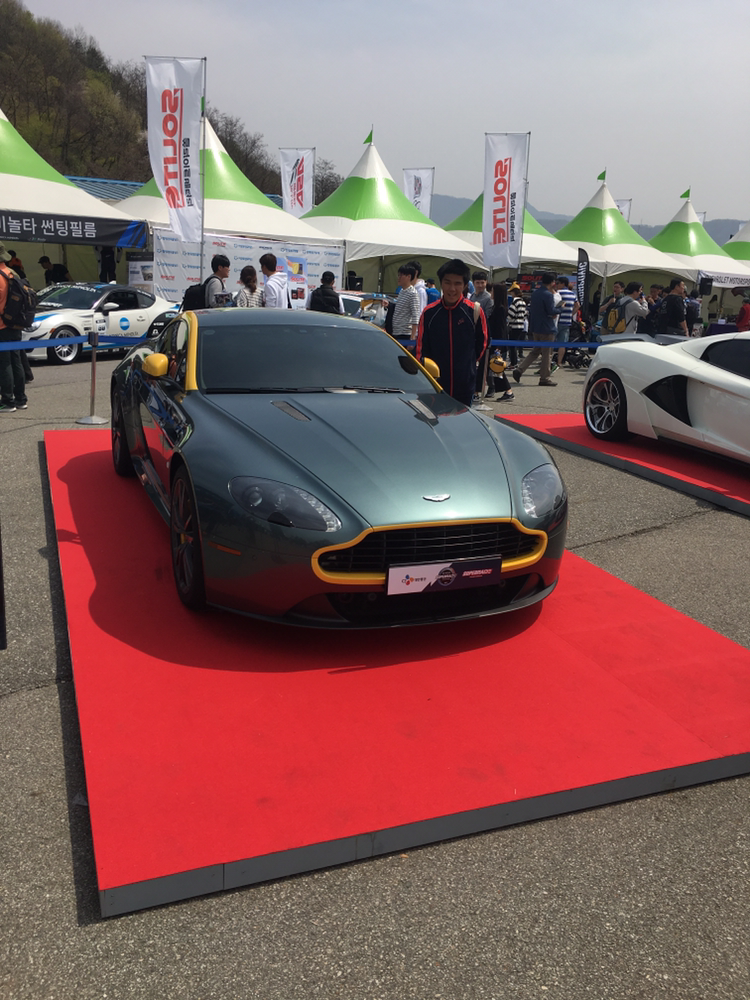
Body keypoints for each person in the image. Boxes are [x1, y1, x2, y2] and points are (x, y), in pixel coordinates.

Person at [416, 258, 487, 407]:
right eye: (447, 282)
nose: (452, 289)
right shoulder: (429, 313)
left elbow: (482, 344)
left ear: (465, 286)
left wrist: (467, 364)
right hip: (435, 384)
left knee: (462, 420)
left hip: (465, 384)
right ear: (441, 283)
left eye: (457, 283)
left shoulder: (474, 311)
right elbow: (421, 349)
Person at [511, 272, 562, 387]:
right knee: (546, 354)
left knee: (535, 351)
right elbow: (551, 311)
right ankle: (544, 378)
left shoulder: (535, 293)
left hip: (536, 327)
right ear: (552, 282)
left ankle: (520, 369)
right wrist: (560, 309)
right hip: (547, 327)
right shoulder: (548, 295)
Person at [0, 243, 28, 413]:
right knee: (16, 361)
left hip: (1, 325)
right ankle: (20, 398)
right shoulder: (12, 273)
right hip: (15, 324)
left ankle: (7, 401)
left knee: (4, 364)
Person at [391, 264, 420, 340]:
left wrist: (413, 337)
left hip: (406, 334)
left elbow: (416, 316)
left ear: (409, 277)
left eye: (401, 275)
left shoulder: (413, 293)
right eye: (398, 275)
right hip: (396, 331)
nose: (398, 278)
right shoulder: (401, 291)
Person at [556, 276, 578, 367]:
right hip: (567, 321)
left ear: (562, 284)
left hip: (556, 321)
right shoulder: (573, 294)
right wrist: (571, 314)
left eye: (558, 283)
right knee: (563, 343)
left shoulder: (558, 293)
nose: (557, 285)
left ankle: (547, 361)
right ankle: (559, 362)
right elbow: (577, 305)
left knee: (550, 342)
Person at [507, 283, 528, 360]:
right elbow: (525, 315)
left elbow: (510, 315)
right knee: (515, 344)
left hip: (514, 326)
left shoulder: (515, 302)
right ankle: (514, 360)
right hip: (521, 325)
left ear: (514, 292)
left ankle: (513, 361)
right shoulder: (523, 302)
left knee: (512, 346)